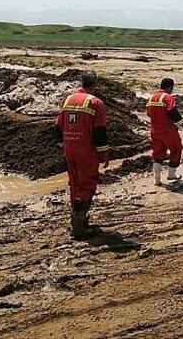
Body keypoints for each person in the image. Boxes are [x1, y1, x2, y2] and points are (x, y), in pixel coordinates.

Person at [54, 70, 110, 239]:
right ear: (94, 85)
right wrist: (104, 154)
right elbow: (100, 131)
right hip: (86, 150)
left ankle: (79, 219)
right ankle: (78, 226)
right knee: (87, 184)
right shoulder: (96, 103)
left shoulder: (68, 99)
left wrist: (62, 144)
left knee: (75, 183)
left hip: (69, 148)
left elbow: (57, 126)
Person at [146, 78, 183, 185]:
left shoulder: (151, 98)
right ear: (170, 87)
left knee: (157, 154)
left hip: (154, 131)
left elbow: (148, 114)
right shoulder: (168, 97)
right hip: (168, 131)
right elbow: (173, 112)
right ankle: (171, 175)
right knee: (176, 150)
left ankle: (157, 180)